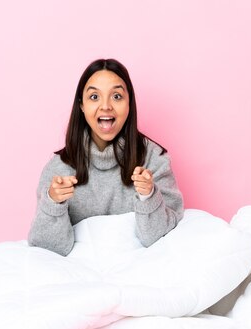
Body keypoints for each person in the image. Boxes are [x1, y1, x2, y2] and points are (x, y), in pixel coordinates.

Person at [28, 58, 184, 256]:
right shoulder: (59, 168)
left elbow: (162, 238)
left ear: (129, 104)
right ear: (82, 105)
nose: (106, 106)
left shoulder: (154, 160)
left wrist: (148, 196)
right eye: (94, 97)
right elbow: (48, 249)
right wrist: (53, 203)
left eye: (117, 96)